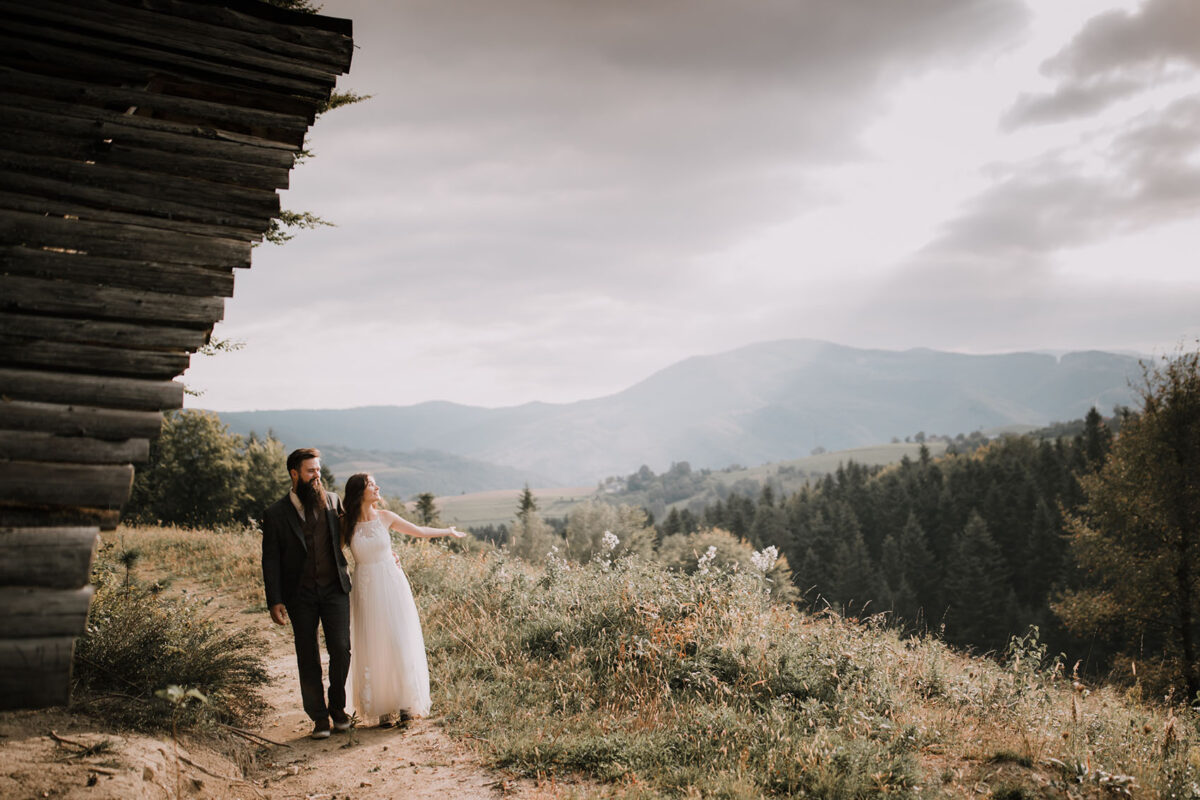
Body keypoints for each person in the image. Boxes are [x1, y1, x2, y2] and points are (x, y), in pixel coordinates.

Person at [340, 472, 465, 727]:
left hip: (391, 583)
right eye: (371, 484)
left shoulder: (385, 517)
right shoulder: (346, 523)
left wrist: (447, 531)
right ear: (359, 492)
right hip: (365, 588)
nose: (377, 487)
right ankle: (383, 707)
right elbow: (331, 550)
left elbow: (418, 531)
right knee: (374, 643)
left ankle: (406, 703)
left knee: (398, 640)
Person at [261, 448, 353, 740]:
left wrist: (387, 554)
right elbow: (271, 559)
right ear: (294, 474)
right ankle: (319, 717)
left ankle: (338, 708)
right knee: (307, 654)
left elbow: (353, 533)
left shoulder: (333, 501)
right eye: (311, 470)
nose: (317, 476)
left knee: (341, 648)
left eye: (318, 470)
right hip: (299, 595)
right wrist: (274, 599)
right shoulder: (275, 514)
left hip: (335, 589)